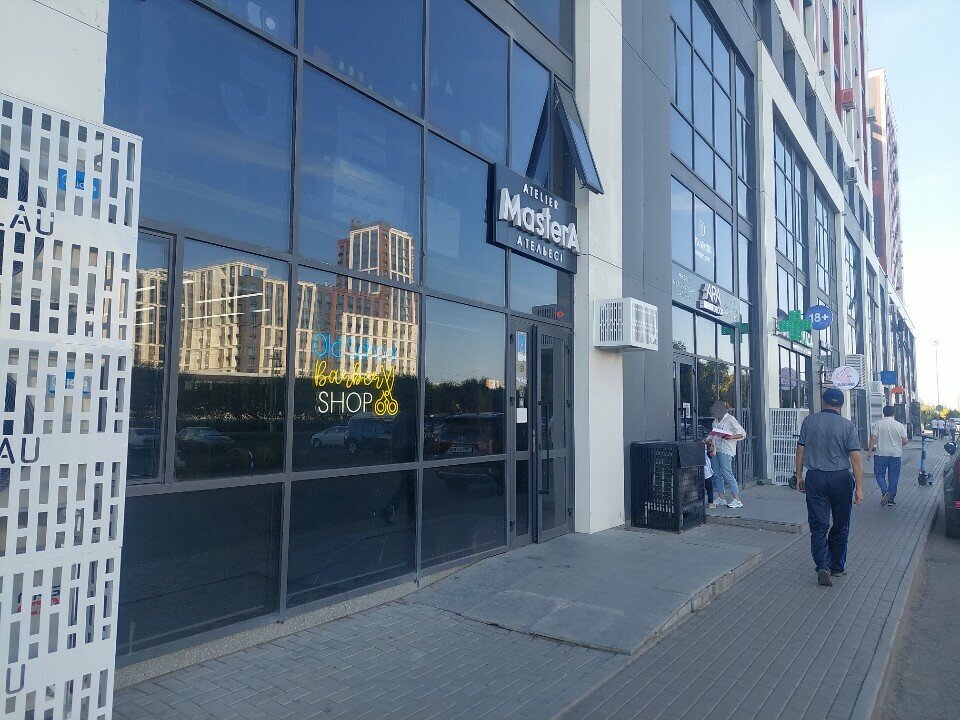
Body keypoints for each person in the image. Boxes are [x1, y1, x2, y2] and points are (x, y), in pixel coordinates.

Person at [795, 388, 864, 587]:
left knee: (818, 525)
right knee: (841, 524)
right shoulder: (848, 426)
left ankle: (822, 566)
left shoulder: (809, 421)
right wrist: (859, 488)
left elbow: (800, 450)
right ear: (840, 405)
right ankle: (837, 566)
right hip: (841, 479)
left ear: (823, 401)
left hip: (815, 478)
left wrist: (799, 476)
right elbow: (856, 459)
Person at [705, 400, 746, 508]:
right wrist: (707, 439)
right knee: (717, 474)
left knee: (727, 473)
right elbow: (712, 433)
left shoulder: (730, 419)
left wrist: (731, 436)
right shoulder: (715, 421)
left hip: (726, 450)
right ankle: (721, 498)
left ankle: (737, 500)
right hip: (715, 449)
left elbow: (742, 433)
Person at [867, 405, 908, 507]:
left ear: (883, 413)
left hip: (881, 454)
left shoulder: (877, 424)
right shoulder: (899, 425)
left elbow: (873, 438)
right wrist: (897, 445)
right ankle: (891, 500)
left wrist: (869, 451)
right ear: (894, 413)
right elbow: (905, 441)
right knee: (893, 477)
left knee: (879, 475)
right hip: (896, 454)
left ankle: (885, 491)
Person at [703, 440, 718, 509]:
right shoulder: (706, 453)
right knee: (709, 489)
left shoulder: (693, 453)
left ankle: (699, 502)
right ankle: (710, 503)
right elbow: (714, 453)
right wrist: (714, 446)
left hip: (697, 475)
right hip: (707, 475)